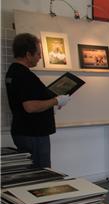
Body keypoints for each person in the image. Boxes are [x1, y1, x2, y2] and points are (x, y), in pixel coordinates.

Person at [5, 33, 70, 168]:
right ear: (28, 54)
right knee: (41, 172)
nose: (40, 57)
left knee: (32, 171)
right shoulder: (24, 75)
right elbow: (30, 107)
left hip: (24, 131)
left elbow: (31, 98)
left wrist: (51, 99)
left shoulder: (13, 71)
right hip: (33, 133)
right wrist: (56, 101)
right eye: (38, 53)